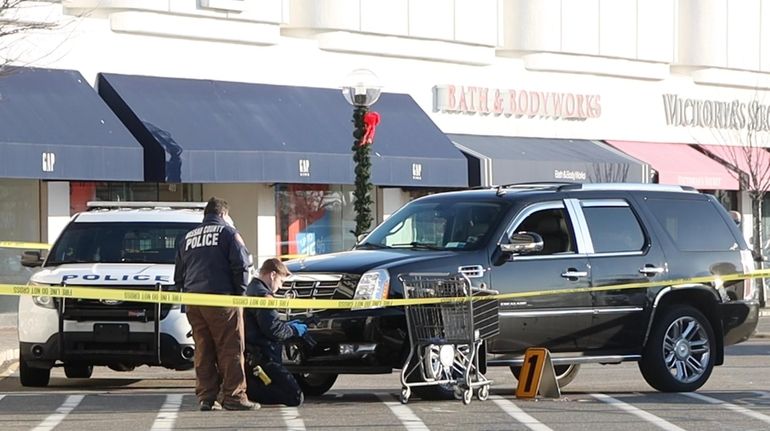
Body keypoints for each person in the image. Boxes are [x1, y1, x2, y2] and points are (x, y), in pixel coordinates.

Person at [174, 197, 258, 411]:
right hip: (221, 300)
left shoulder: (187, 237)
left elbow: (178, 276)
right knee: (230, 348)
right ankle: (234, 396)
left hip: (193, 301)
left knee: (203, 349)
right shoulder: (228, 233)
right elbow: (242, 265)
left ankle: (206, 397)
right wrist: (240, 295)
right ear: (222, 214)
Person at [243, 258, 306, 407]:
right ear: (272, 275)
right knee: (295, 396)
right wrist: (293, 330)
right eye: (281, 282)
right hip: (264, 358)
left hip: (252, 356)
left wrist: (285, 325)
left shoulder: (250, 289)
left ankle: (244, 388)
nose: (280, 287)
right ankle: (247, 391)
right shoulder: (264, 295)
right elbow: (274, 331)